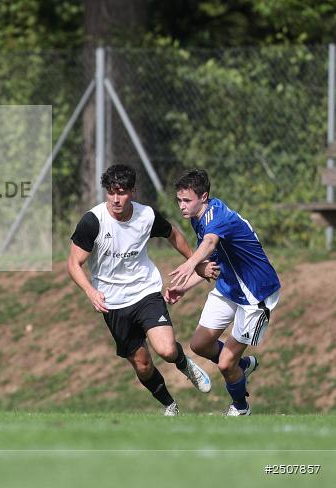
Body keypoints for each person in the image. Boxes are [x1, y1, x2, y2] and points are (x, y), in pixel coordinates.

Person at [67, 164, 216, 415]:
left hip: (145, 291)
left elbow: (174, 235)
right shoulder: (93, 222)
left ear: (133, 192)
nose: (116, 198)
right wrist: (90, 291)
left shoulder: (146, 216)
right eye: (112, 192)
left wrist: (195, 264)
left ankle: (184, 363)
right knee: (143, 365)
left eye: (122, 192)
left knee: (166, 349)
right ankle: (170, 405)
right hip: (113, 303)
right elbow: (73, 263)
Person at [167, 169, 277, 416]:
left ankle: (240, 408)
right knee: (200, 344)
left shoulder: (218, 216)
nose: (182, 206)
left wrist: (188, 264)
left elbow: (209, 244)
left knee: (226, 363)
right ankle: (243, 366)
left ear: (203, 197)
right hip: (229, 288)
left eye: (187, 200)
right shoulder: (198, 217)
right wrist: (184, 287)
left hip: (255, 296)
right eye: (179, 200)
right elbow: (212, 265)